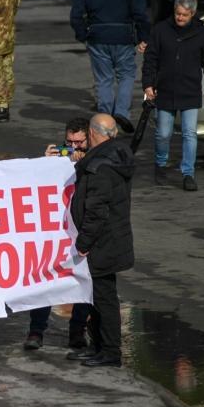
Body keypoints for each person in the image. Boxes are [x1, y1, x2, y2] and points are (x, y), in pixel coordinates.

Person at [67, 114, 135, 367]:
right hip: (111, 239)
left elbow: (97, 209)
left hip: (103, 242)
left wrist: (84, 242)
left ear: (94, 133)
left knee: (103, 298)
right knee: (96, 295)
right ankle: (98, 346)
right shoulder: (116, 154)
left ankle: (109, 351)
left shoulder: (101, 166)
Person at [24, 118, 92, 351]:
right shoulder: (56, 158)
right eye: (69, 142)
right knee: (45, 279)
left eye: (79, 142)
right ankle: (36, 331)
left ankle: (77, 332)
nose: (74, 148)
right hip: (54, 230)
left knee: (84, 280)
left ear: (89, 139)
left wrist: (85, 161)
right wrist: (45, 163)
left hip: (81, 228)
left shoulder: (96, 158)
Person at [142, 0, 204, 192]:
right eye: (178, 14)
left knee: (190, 133)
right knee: (163, 134)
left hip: (190, 91)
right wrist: (148, 85)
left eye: (184, 15)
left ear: (192, 13)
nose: (180, 18)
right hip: (165, 90)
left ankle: (188, 174)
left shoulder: (202, 33)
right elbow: (150, 59)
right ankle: (160, 163)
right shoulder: (160, 30)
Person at [70, 0, 150, 133]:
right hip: (122, 37)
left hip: (97, 37)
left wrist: (83, 35)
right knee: (126, 76)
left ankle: (104, 118)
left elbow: (75, 15)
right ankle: (121, 113)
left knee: (103, 80)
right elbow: (140, 13)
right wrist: (144, 37)